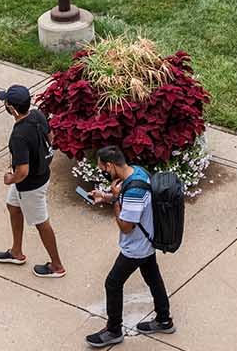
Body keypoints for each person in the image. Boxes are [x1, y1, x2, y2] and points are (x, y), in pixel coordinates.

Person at [84, 146, 175, 347]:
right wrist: (106, 196)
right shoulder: (137, 172)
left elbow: (126, 226)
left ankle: (114, 330)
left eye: (103, 169)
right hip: (148, 240)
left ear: (110, 165)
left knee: (112, 283)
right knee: (153, 278)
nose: (104, 173)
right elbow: (132, 204)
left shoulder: (133, 191)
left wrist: (115, 199)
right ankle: (164, 319)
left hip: (136, 247)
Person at [0, 85, 66, 278]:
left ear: (12, 109)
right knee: (13, 207)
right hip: (40, 175)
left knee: (42, 223)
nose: (5, 105)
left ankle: (57, 266)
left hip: (30, 185)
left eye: (6, 103)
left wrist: (10, 179)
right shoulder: (38, 115)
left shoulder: (19, 136)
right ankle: (16, 252)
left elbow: (22, 171)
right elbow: (51, 137)